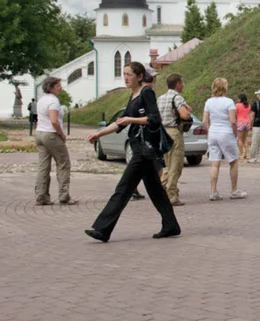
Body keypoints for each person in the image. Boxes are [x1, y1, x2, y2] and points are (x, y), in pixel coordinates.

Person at [85, 62, 181, 242]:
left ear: (139, 76)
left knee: (123, 189)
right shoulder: (134, 96)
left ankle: (102, 229)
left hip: (144, 150)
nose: (125, 77)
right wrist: (99, 134)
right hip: (139, 147)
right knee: (156, 191)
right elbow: (120, 123)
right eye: (124, 74)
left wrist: (131, 119)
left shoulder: (146, 92)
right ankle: (171, 225)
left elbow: (154, 119)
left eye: (129, 74)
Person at [34, 76, 76, 205]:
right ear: (51, 87)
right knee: (63, 163)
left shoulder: (41, 100)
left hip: (40, 133)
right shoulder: (53, 101)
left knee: (43, 166)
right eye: (58, 86)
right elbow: (54, 120)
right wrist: (61, 134)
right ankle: (64, 195)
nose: (60, 88)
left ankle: (41, 196)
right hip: (51, 134)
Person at [203, 77, 246, 200]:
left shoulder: (209, 102)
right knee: (233, 161)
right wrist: (235, 134)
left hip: (213, 133)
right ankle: (234, 190)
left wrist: (209, 131)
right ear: (225, 88)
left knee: (215, 163)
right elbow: (233, 121)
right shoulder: (229, 102)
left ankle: (213, 191)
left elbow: (205, 121)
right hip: (226, 133)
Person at [158, 73, 192, 206]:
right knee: (175, 165)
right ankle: (171, 196)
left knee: (167, 163)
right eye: (182, 83)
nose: (183, 85)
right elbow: (184, 114)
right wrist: (187, 114)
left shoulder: (160, 98)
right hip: (174, 132)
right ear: (177, 84)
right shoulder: (177, 97)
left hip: (163, 132)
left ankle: (160, 189)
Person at [130, 68, 163, 201]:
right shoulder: (147, 91)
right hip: (147, 135)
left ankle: (135, 188)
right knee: (156, 163)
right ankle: (159, 189)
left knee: (144, 165)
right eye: (153, 77)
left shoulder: (140, 92)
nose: (155, 79)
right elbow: (152, 117)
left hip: (141, 135)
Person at [235, 93, 252, 161]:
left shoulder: (237, 105)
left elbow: (235, 114)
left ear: (240, 98)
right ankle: (247, 154)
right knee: (245, 139)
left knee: (239, 139)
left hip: (240, 122)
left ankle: (241, 154)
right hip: (247, 122)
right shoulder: (248, 105)